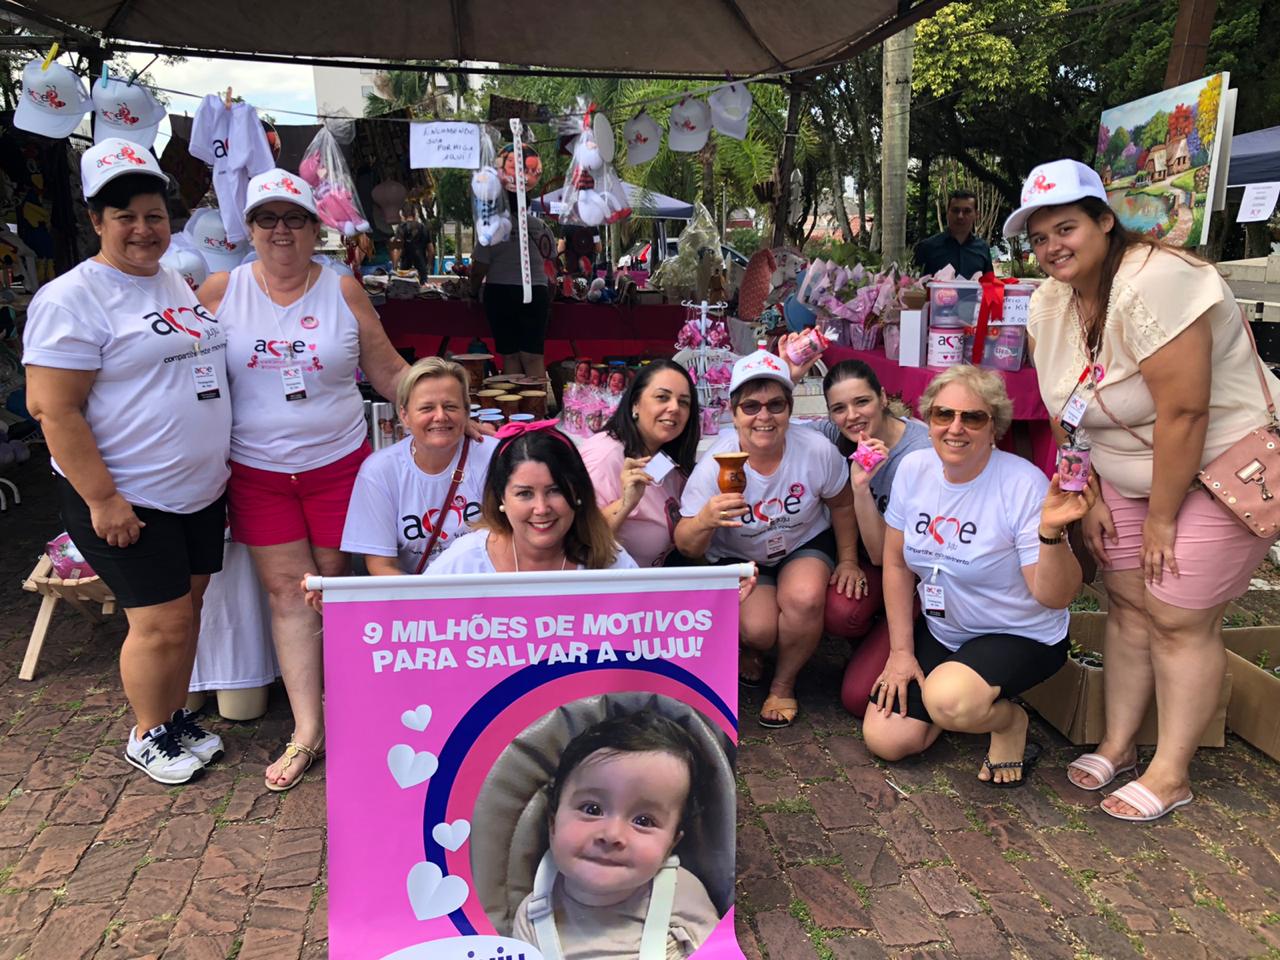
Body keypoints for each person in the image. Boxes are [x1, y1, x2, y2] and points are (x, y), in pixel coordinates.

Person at [1008, 158, 1280, 820]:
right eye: (1039, 238)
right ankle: (1122, 742)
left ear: (1106, 221)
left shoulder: (1159, 280)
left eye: (1066, 227)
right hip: (1122, 468)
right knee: (1128, 604)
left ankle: (1172, 771)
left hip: (1218, 465)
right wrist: (1091, 491)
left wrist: (1161, 519)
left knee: (1179, 615)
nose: (1052, 248)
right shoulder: (1049, 301)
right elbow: (1061, 408)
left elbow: (1184, 413)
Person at [23, 140, 230, 784]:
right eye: (126, 217)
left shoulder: (172, 280)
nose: (144, 230)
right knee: (159, 621)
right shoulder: (71, 299)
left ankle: (171, 718)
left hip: (198, 488)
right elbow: (54, 411)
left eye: (154, 215)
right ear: (96, 220)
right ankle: (146, 733)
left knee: (188, 610)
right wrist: (103, 499)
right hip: (128, 494)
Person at [198, 167, 408, 792]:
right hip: (257, 471)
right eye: (267, 218)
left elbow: (388, 369)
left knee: (337, 589)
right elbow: (174, 370)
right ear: (249, 227)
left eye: (294, 218)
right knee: (289, 595)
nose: (281, 230)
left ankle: (357, 716)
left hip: (340, 466)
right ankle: (306, 732)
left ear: (316, 227)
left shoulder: (343, 290)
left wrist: (444, 407)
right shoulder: (218, 290)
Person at [862, 365, 1094, 785]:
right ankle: (956, 700)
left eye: (973, 417)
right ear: (928, 421)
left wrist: (1051, 533)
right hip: (947, 630)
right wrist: (901, 653)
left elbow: (1055, 597)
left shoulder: (1021, 484)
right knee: (887, 739)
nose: (956, 428)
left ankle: (1007, 722)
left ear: (995, 427)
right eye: (942, 415)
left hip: (1018, 632)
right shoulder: (914, 470)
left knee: (949, 698)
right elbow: (895, 563)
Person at [675, 350, 862, 728]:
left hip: (800, 543)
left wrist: (847, 560)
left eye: (775, 405)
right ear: (733, 411)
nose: (764, 416)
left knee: (805, 598)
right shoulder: (715, 463)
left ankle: (783, 683)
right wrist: (706, 520)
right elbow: (685, 545)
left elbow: (842, 504)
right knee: (760, 629)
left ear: (790, 409)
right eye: (751, 406)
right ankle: (749, 647)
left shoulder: (814, 451)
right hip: (739, 555)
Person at [510, 710, 720, 958]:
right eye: (592, 809)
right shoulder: (532, 914)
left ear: (671, 844)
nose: (611, 834)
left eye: (643, 820)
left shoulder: (681, 894)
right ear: (553, 823)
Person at [816, 360, 932, 717]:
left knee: (855, 698)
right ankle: (870, 637)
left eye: (862, 402)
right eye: (839, 408)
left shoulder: (918, 454)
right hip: (874, 564)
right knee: (839, 610)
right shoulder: (837, 434)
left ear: (882, 397)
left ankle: (913, 640)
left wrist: (861, 489)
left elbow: (884, 556)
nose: (852, 415)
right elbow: (777, 426)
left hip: (913, 576)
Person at [341, 357, 498, 574]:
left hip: (488, 593)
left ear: (466, 411)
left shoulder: (495, 457)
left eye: (450, 406)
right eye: (426, 408)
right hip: (415, 598)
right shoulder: (380, 471)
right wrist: (425, 604)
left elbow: (515, 542)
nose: (440, 416)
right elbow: (382, 565)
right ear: (404, 416)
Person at [431, 421, 638, 574]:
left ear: (577, 492)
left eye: (555, 490)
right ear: (501, 497)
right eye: (525, 494)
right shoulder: (463, 563)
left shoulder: (610, 561)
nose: (541, 508)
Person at [580, 360, 701, 568]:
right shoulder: (604, 457)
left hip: (658, 586)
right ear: (635, 403)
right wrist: (626, 504)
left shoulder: (666, 455)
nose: (674, 408)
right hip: (616, 592)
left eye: (683, 402)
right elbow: (578, 543)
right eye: (662, 397)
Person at [469, 144, 556, 380]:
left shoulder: (493, 228)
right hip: (536, 292)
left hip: (501, 293)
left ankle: (517, 411)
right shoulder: (541, 227)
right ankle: (537, 408)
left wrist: (471, 291)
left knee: (510, 355)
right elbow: (553, 265)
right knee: (534, 356)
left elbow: (479, 268)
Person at [912, 190, 994, 278]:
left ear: (976, 215)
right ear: (947, 213)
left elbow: (990, 286)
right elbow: (913, 286)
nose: (960, 216)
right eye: (955, 210)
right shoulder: (927, 248)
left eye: (967, 211)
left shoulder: (983, 249)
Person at [393, 204, 434, 277]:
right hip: (421, 266)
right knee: (423, 286)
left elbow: (398, 249)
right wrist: (428, 265)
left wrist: (395, 266)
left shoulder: (401, 228)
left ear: (402, 215)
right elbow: (431, 250)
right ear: (415, 214)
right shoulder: (424, 228)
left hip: (405, 267)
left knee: (405, 286)